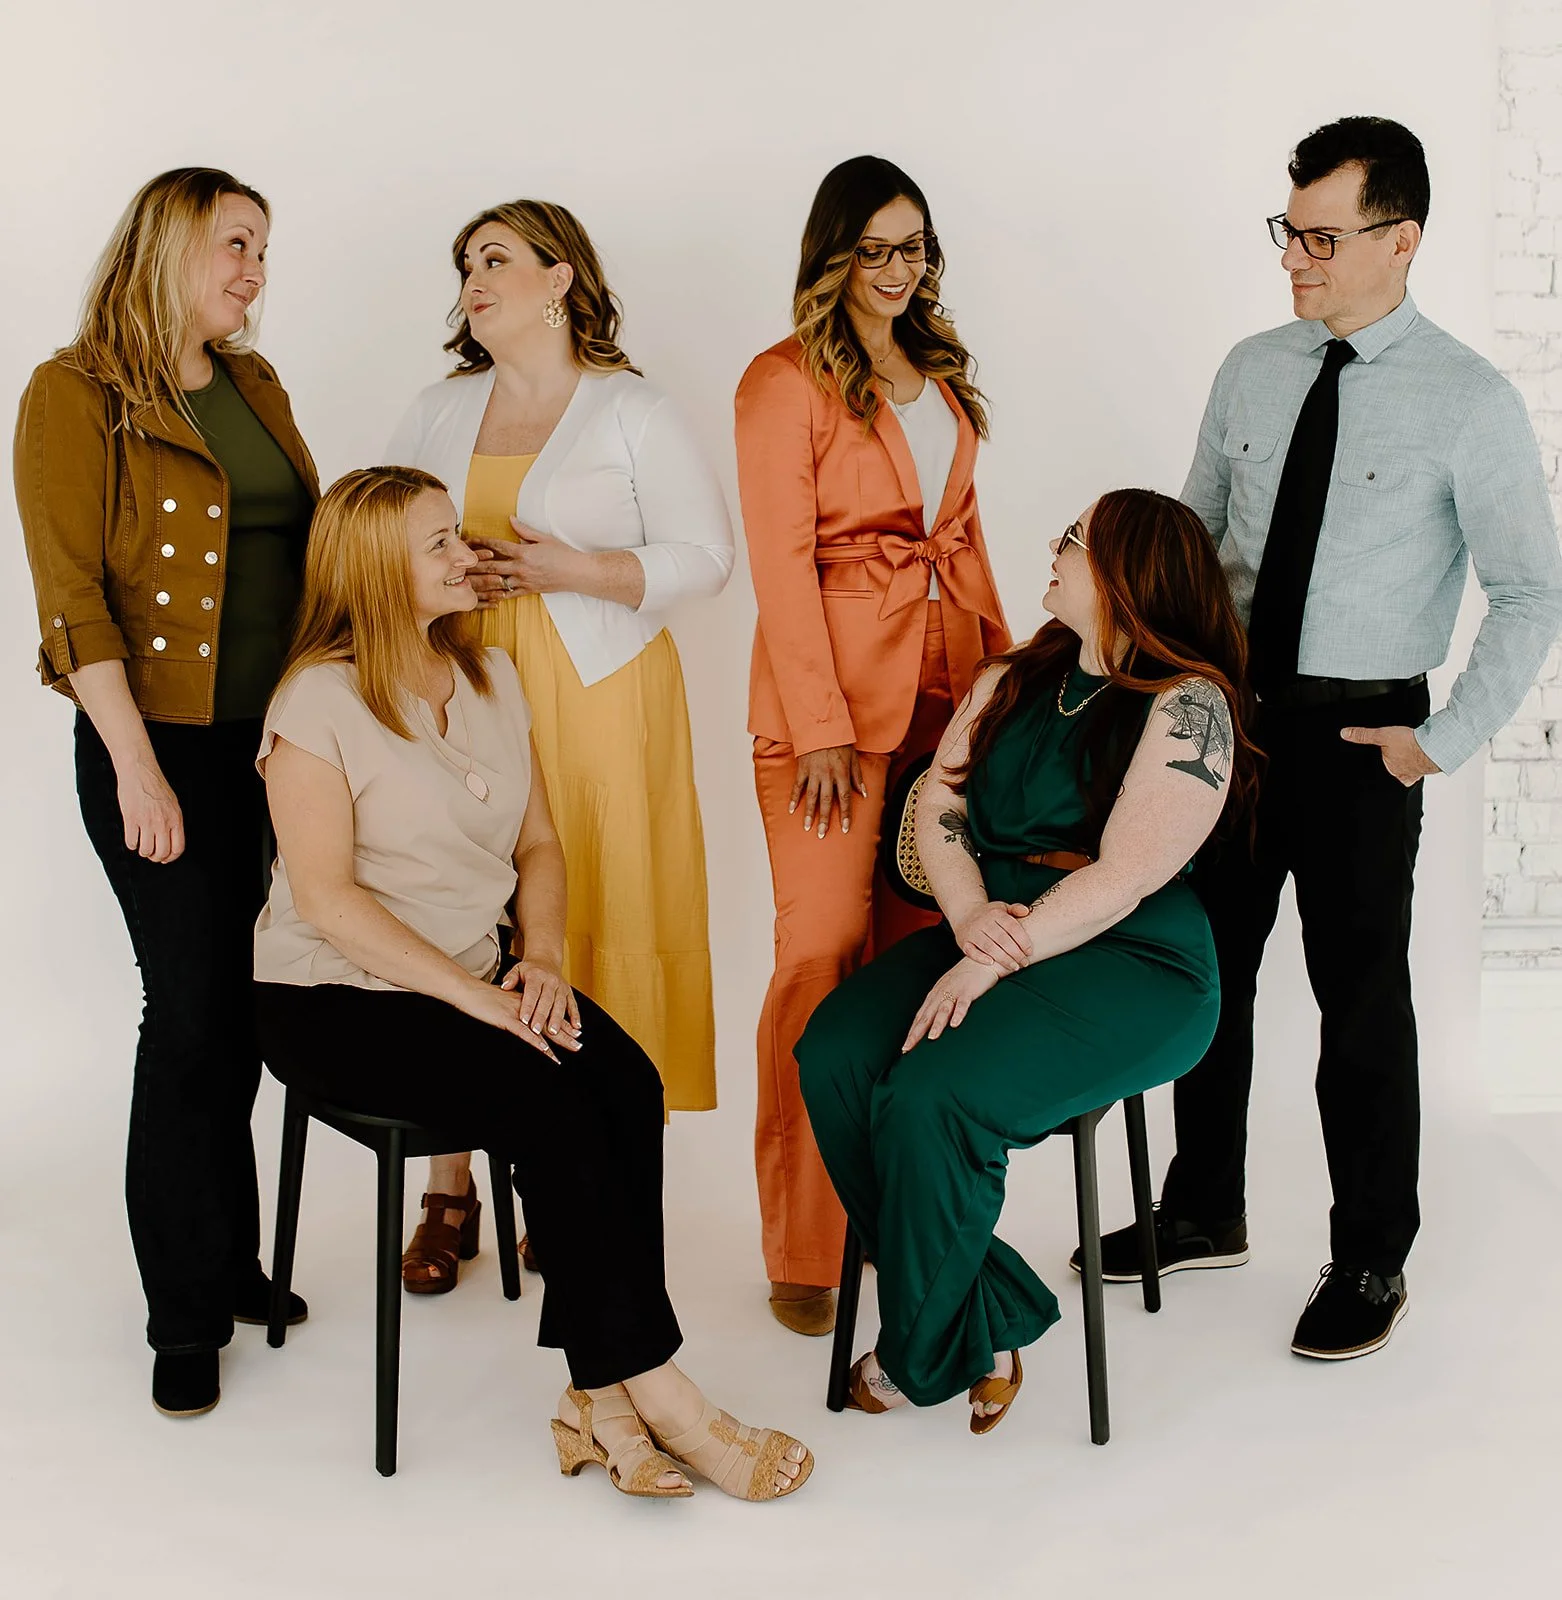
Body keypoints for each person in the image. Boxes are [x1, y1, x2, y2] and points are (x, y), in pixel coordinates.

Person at [1080, 116, 1562, 1360]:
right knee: (1202, 975)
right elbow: (1191, 536)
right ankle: (1202, 1207)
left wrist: (1436, 739)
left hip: (1362, 740)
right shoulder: (1251, 366)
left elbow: (1532, 591)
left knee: (1357, 1004)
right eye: (1285, 230)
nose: (1293, 257)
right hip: (1225, 730)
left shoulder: (1467, 399)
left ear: (1398, 241)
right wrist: (1151, 685)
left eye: (1320, 236)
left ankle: (1368, 1258)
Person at [254, 465, 811, 1502]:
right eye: (437, 545)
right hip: (333, 993)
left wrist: (538, 961)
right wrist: (479, 1002)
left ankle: (594, 1398)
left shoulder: (489, 681)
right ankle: (658, 1393)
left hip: (478, 975)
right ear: (375, 572)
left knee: (625, 1082)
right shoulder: (314, 701)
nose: (466, 557)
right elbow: (328, 902)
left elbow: (541, 846)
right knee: (546, 1099)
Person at [796, 489, 1259, 1426]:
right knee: (836, 1055)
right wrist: (968, 918)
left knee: (934, 1096)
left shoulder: (1188, 703)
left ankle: (921, 1350)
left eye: (1076, 541)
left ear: (1129, 577)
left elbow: (1127, 874)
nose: (1054, 547)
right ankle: (993, 1307)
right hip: (991, 924)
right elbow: (940, 805)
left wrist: (996, 956)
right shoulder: (1012, 673)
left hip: (1129, 959)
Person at [13, 167, 319, 1418]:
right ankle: (181, 1314)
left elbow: (306, 546)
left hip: (267, 747)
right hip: (155, 746)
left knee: (241, 1011)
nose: (255, 269)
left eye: (263, 248)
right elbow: (71, 596)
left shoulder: (253, 384)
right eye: (236, 243)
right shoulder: (72, 391)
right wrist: (135, 763)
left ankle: (232, 1259)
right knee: (184, 1015)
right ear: (167, 244)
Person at [384, 200, 732, 1291]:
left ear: (559, 279)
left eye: (495, 258)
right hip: (463, 686)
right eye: (463, 264)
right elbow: (380, 529)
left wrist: (564, 569)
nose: (473, 279)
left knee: (597, 914)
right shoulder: (438, 410)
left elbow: (705, 558)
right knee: (457, 905)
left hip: (601, 700)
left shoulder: (633, 409)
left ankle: (567, 1167)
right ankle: (450, 1185)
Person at [735, 155, 1009, 1334]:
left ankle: (901, 1223)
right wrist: (819, 728)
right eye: (875, 249)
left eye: (915, 248)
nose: (899, 272)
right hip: (826, 724)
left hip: (945, 689)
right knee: (821, 954)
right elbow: (779, 566)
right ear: (832, 254)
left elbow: (965, 531)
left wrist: (1002, 682)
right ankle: (806, 1243)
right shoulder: (779, 382)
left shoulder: (936, 371)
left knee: (916, 955)